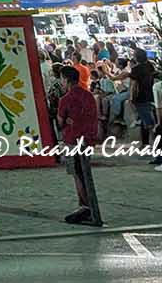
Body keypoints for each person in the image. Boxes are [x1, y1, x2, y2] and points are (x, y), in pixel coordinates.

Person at [56, 65, 100, 224]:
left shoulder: (65, 99)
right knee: (84, 172)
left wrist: (67, 120)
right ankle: (88, 206)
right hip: (88, 138)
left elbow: (60, 121)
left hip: (73, 139)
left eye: (61, 78)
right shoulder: (89, 96)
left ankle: (85, 206)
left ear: (66, 80)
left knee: (77, 174)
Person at [129, 48, 158, 147]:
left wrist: (131, 97)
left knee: (148, 122)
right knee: (145, 119)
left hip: (140, 96)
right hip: (150, 94)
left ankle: (156, 144)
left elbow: (133, 85)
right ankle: (145, 142)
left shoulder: (135, 69)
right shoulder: (150, 66)